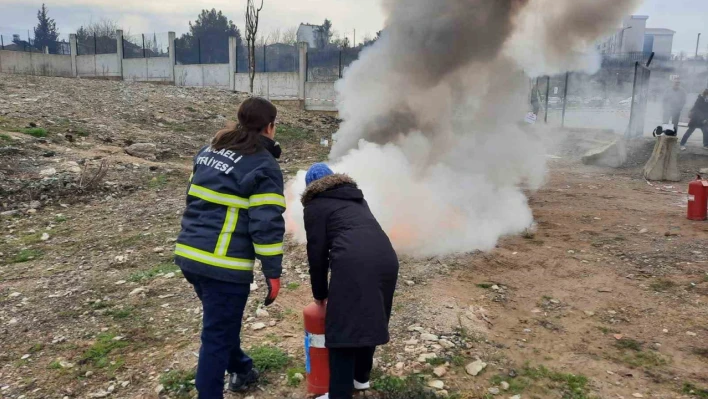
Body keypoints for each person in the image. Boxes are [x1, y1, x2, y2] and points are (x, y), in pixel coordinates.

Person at [174, 97, 286, 399]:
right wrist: (273, 272)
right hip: (223, 267)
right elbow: (266, 225)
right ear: (270, 127)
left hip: (189, 256)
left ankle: (241, 368)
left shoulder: (209, 151)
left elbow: (192, 197)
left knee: (221, 322)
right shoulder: (264, 165)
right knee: (216, 335)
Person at [301, 164, 399, 399]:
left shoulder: (315, 205)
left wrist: (320, 292)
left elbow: (317, 253)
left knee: (343, 332)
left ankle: (338, 394)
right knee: (369, 318)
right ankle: (360, 378)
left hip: (354, 264)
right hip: (386, 259)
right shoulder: (356, 198)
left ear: (310, 188)